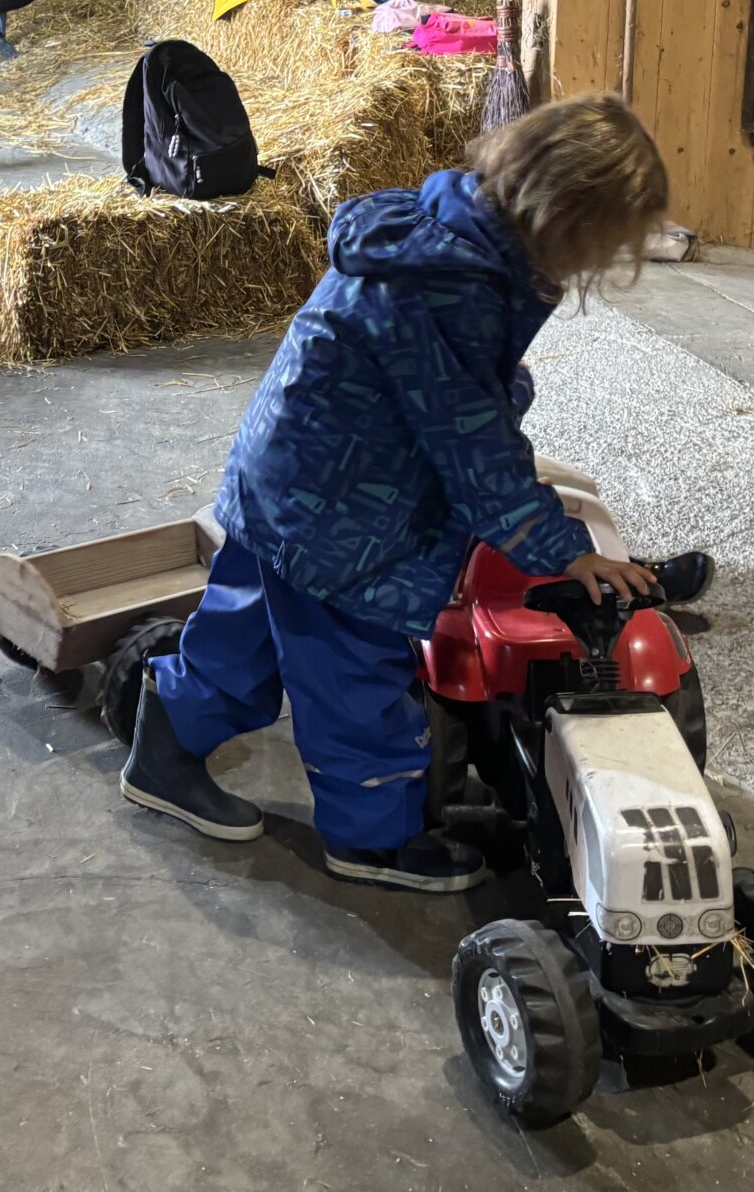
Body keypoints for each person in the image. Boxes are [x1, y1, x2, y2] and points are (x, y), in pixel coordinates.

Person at [119, 96, 672, 893]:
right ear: (564, 218)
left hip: (285, 474)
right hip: (350, 515)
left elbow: (444, 388)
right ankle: (372, 840)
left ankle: (163, 752)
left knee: (246, 632)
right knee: (357, 673)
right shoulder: (453, 286)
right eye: (602, 244)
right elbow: (469, 439)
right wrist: (562, 552)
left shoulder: (438, 228)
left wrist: (501, 391)